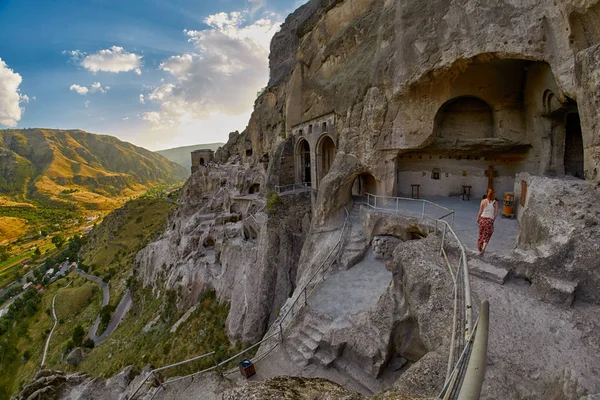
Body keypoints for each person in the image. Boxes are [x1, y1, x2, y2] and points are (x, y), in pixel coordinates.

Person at [477, 188, 498, 255]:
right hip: (489, 221)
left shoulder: (483, 201)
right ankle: (483, 249)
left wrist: (478, 218)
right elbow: (496, 213)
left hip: (482, 219)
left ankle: (480, 247)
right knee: (487, 235)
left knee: (481, 233)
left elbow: (480, 211)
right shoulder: (495, 202)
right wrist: (492, 220)